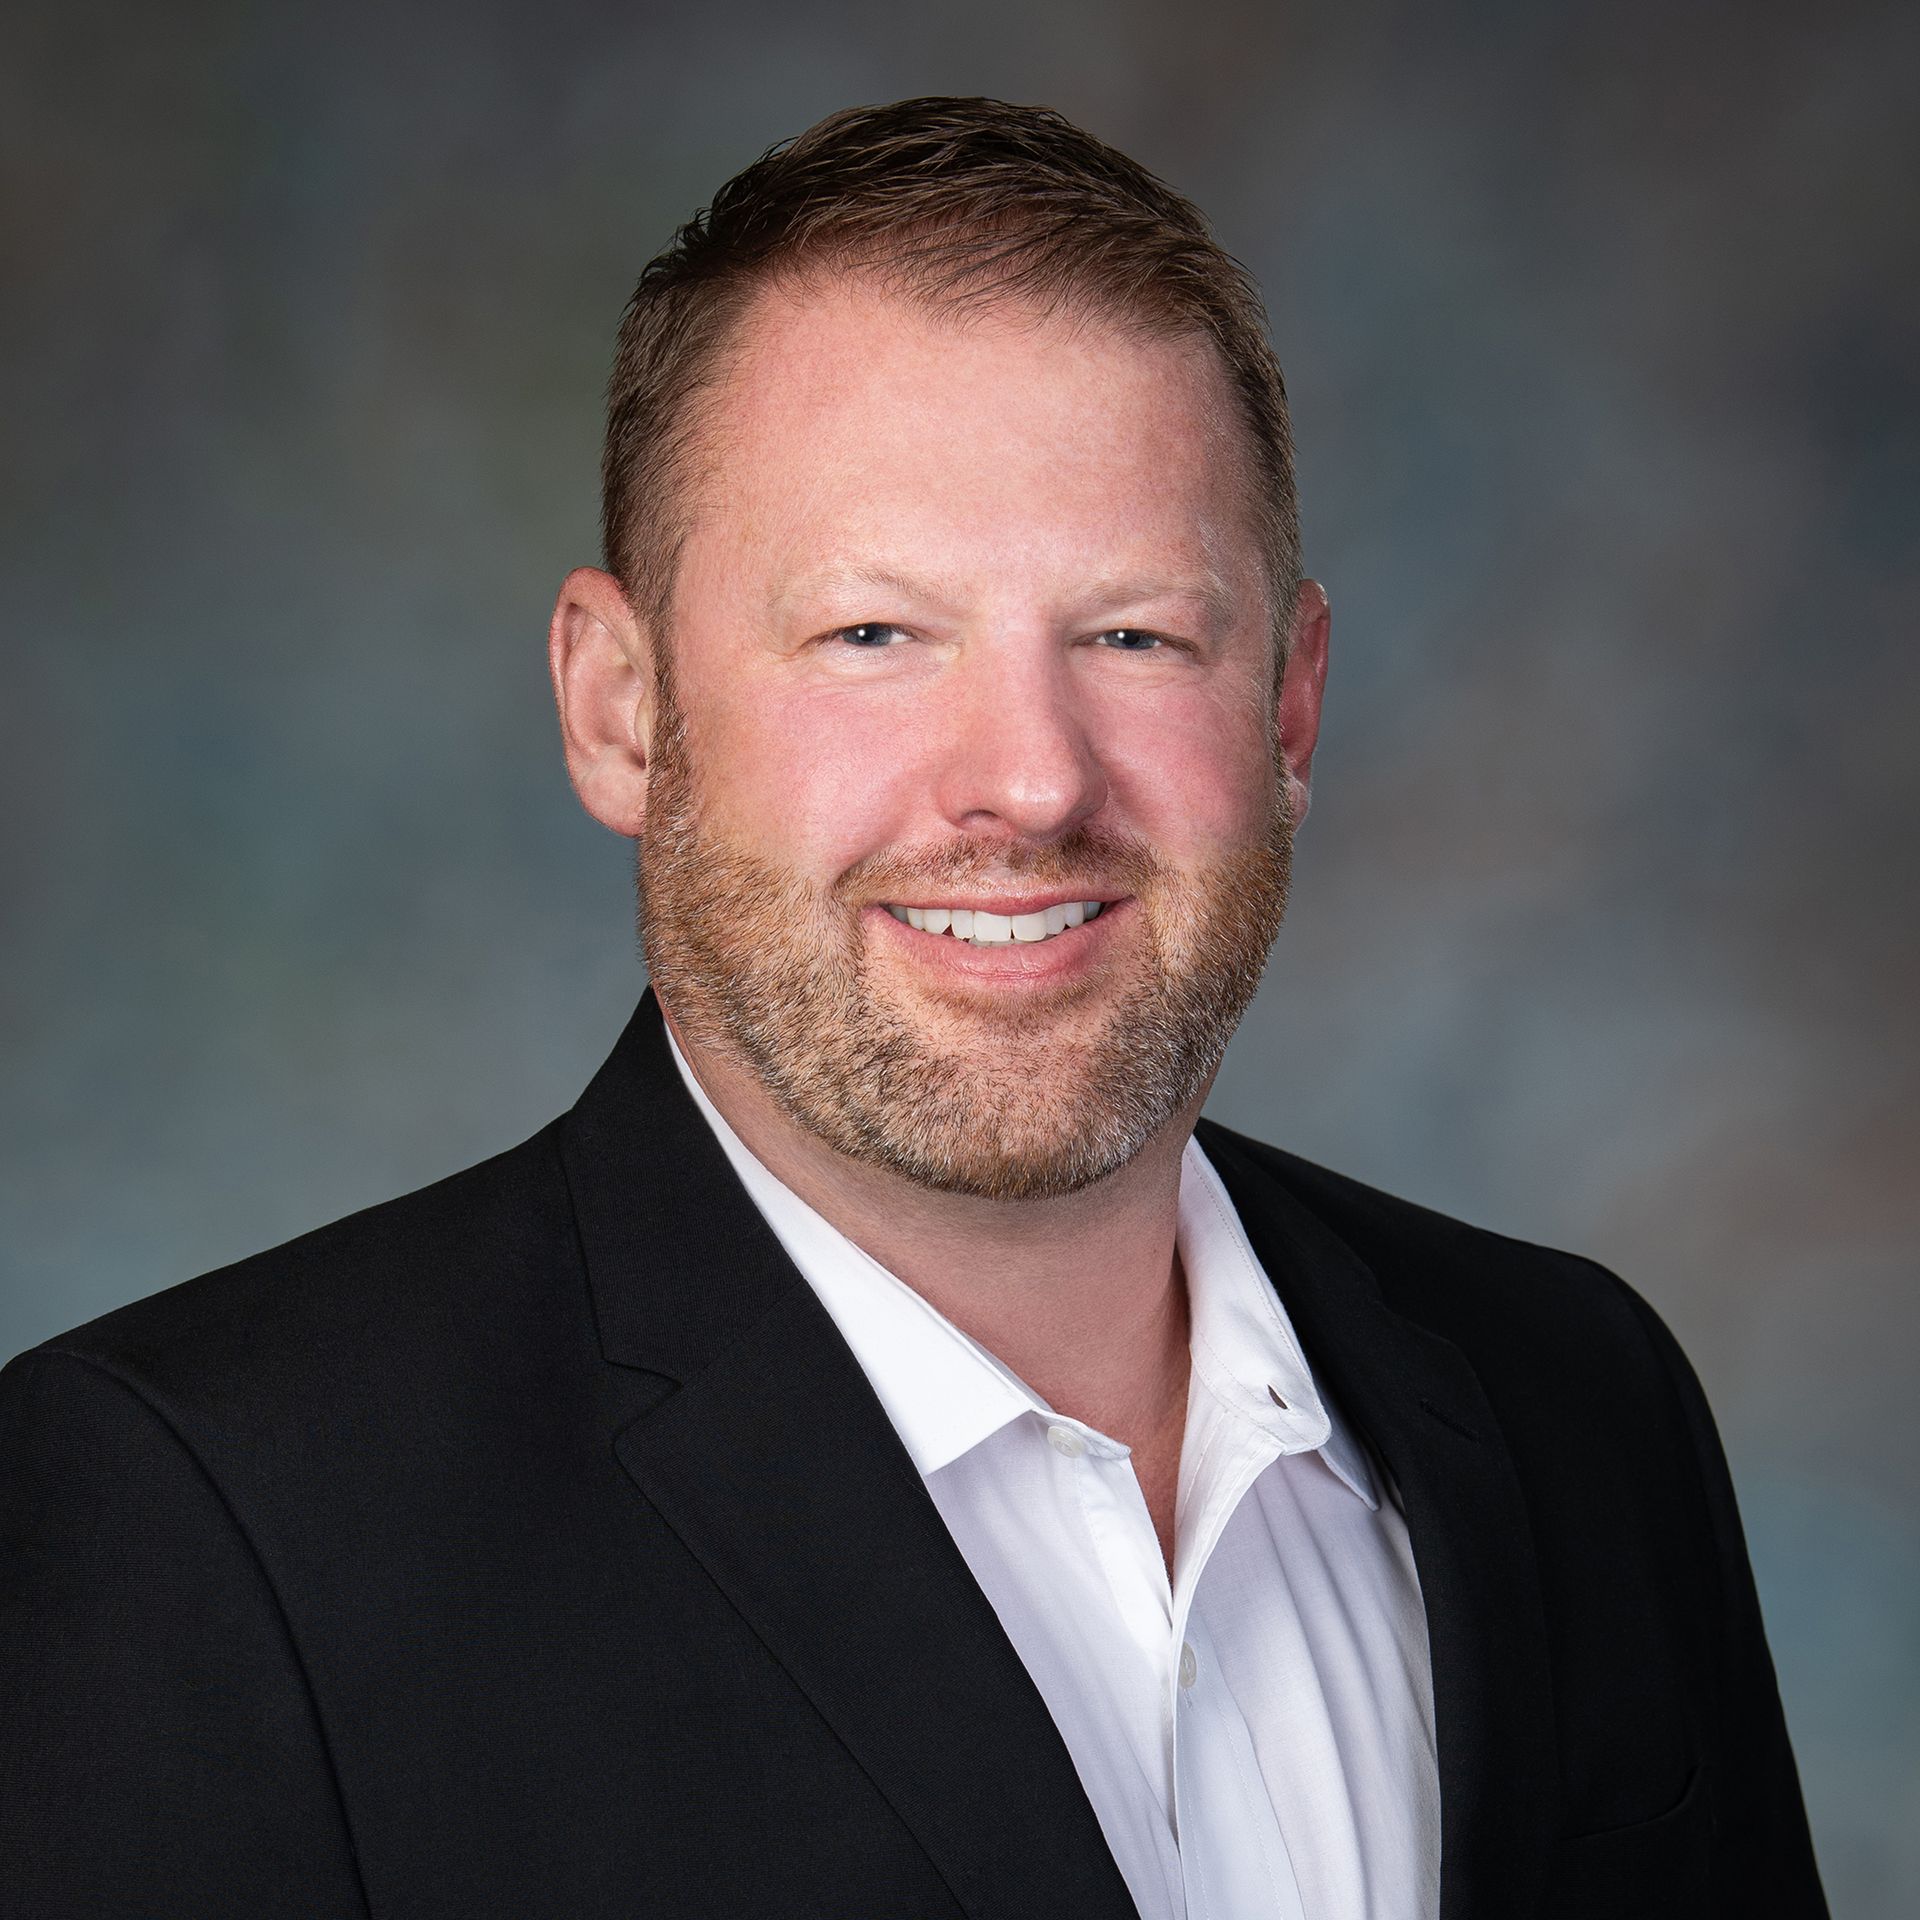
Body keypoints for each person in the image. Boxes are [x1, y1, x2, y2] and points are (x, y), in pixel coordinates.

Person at [0, 96, 1825, 1920]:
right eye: (874, 633)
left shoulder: (1581, 1405)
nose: (1030, 782)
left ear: (1287, 707)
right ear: (620, 708)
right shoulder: (196, 1536)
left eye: (1137, 635)